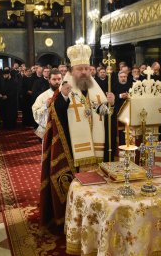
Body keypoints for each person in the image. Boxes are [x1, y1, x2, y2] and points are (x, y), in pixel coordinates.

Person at [39, 43, 115, 227]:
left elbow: (102, 113)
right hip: (72, 150)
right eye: (80, 69)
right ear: (72, 70)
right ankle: (75, 217)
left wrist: (110, 104)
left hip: (97, 149)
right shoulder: (65, 89)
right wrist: (63, 98)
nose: (83, 72)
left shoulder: (96, 88)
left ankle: (98, 214)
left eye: (86, 69)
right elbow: (55, 118)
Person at [32, 69, 62, 138]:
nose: (57, 81)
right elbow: (35, 112)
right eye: (54, 79)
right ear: (49, 80)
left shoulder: (67, 94)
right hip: (48, 130)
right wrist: (45, 106)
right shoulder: (42, 96)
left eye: (59, 79)